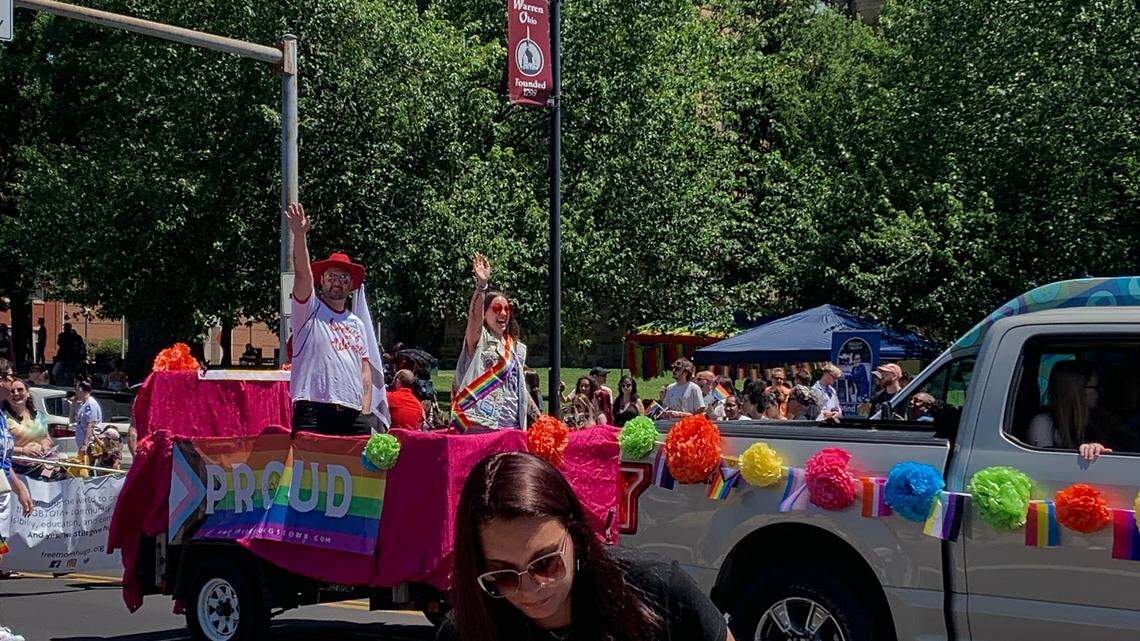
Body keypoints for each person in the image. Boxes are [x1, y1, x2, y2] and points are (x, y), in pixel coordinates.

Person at [440, 451, 733, 641]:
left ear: (576, 536)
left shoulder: (656, 588)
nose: (530, 590)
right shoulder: (465, 630)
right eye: (503, 576)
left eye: (545, 564)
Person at [285, 203, 375, 436]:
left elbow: (365, 370)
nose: (337, 281)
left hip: (352, 412)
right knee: (309, 470)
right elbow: (303, 272)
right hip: (313, 407)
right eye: (331, 276)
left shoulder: (357, 323)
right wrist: (299, 235)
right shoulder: (309, 311)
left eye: (344, 277)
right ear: (322, 281)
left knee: (360, 468)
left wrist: (365, 409)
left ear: (351, 285)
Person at [453, 254, 528, 432]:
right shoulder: (479, 340)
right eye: (496, 309)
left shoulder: (518, 349)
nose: (503, 313)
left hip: (512, 427)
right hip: (481, 425)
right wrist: (481, 286)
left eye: (507, 309)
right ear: (485, 314)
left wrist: (538, 417)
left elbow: (519, 388)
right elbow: (474, 319)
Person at [1028, 361, 1117, 462]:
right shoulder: (1043, 422)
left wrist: (1098, 450)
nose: (1100, 392)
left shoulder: (1101, 420)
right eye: (1095, 387)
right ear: (1077, 391)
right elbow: (1046, 464)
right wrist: (1084, 453)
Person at [0, 390, 35, 641]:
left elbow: (3, 461)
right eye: (6, 377)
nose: (12, 385)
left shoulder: (1, 416)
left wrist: (20, 488)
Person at [3, 379, 57, 478]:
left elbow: (47, 438)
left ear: (28, 393)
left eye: (20, 390)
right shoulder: (3, 418)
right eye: (12, 391)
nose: (16, 393)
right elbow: (1, 447)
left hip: (44, 465)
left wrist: (46, 445)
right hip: (16, 470)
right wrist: (23, 450)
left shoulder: (39, 415)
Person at [70, 380, 103, 450]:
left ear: (81, 390)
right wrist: (73, 404)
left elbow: (91, 425)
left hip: (89, 443)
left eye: (76, 389)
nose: (75, 392)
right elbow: (72, 420)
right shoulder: (83, 404)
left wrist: (85, 444)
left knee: (88, 460)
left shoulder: (90, 404)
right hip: (81, 443)